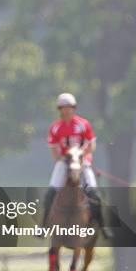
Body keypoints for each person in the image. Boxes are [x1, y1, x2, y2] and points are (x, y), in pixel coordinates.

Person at [42, 92, 113, 238]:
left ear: (73, 108)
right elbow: (53, 150)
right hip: (64, 163)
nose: (66, 110)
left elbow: (91, 145)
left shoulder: (83, 124)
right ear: (59, 109)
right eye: (62, 107)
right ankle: (43, 226)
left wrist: (80, 156)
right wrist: (62, 160)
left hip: (82, 162)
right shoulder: (55, 127)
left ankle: (102, 226)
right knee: (50, 194)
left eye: (68, 107)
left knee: (94, 194)